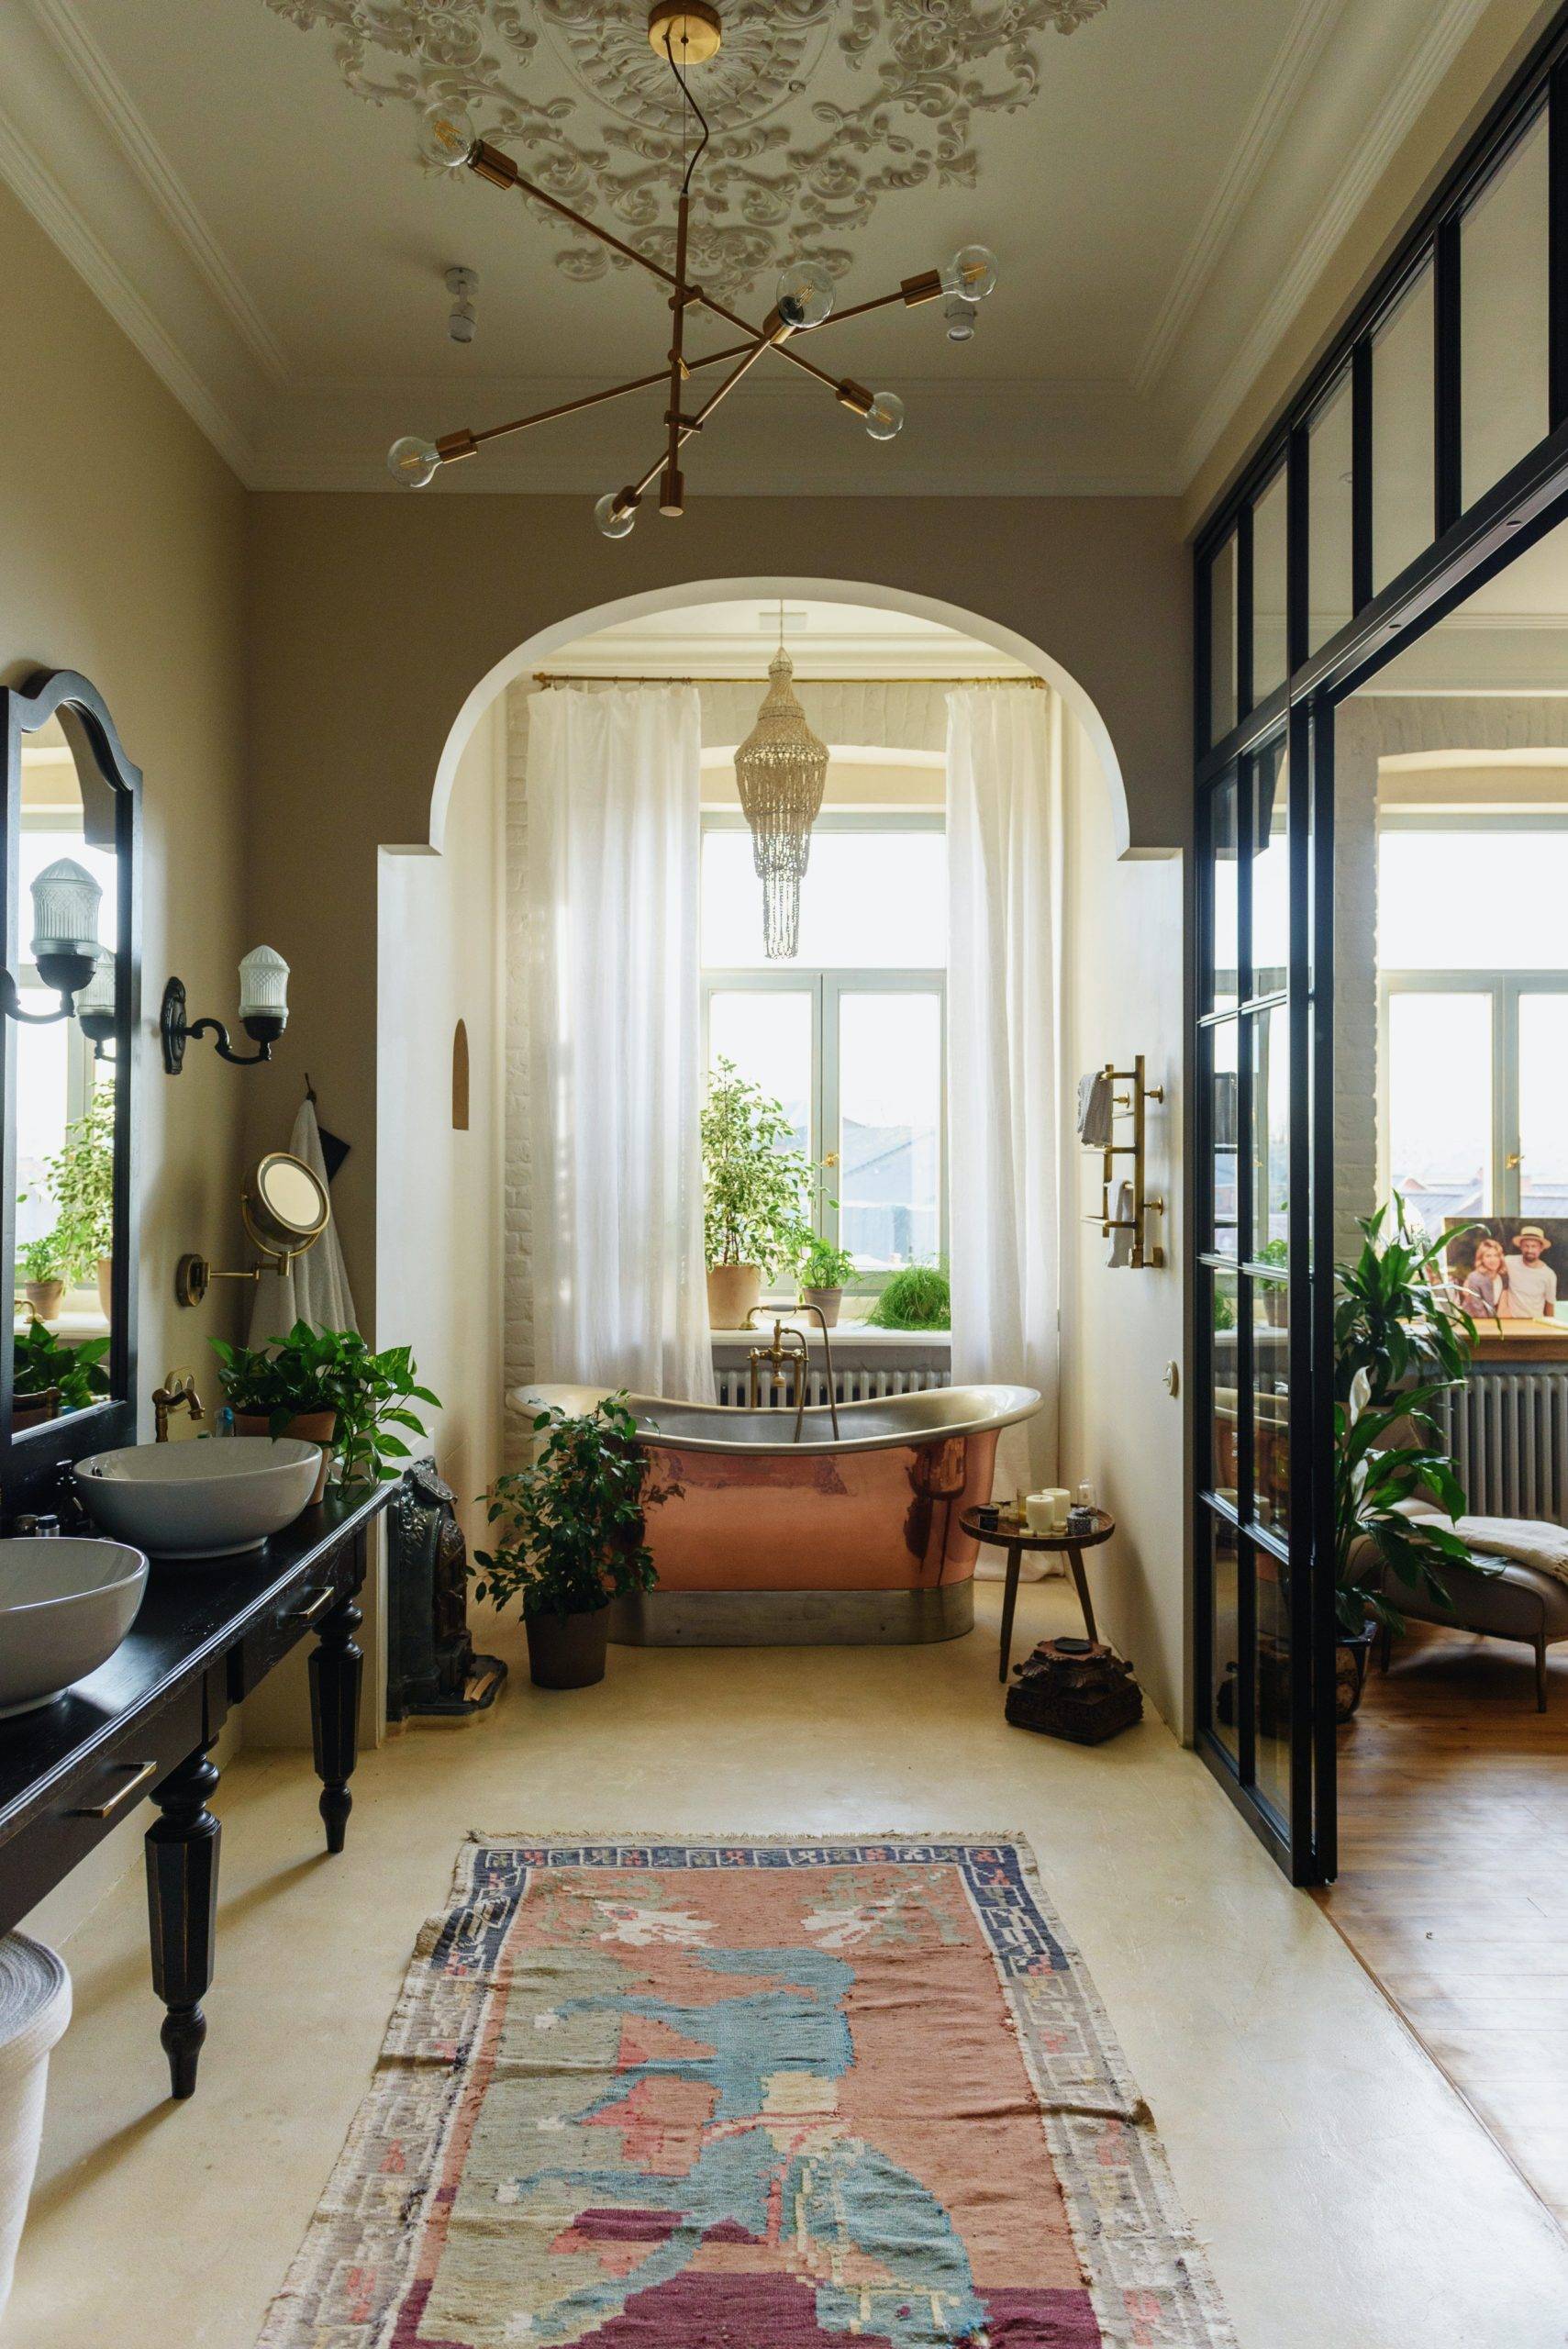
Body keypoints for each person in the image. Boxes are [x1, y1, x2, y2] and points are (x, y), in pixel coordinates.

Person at [1503, 1225, 1558, 1319]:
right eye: (1526, 1246)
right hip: (1511, 1321)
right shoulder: (1509, 1261)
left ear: (1541, 1248)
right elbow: (1489, 1268)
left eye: (1534, 1246)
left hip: (1535, 1323)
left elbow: (1550, 1305)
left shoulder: (1549, 1275)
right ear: (1520, 1246)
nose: (1530, 1250)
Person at [1460, 1233, 1508, 1320]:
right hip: (1473, 1321)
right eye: (1488, 1256)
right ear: (1481, 1259)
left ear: (1500, 1258)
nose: (1492, 1260)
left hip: (1490, 1321)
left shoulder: (1500, 1277)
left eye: (1496, 1255)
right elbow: (1478, 1310)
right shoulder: (1475, 1277)